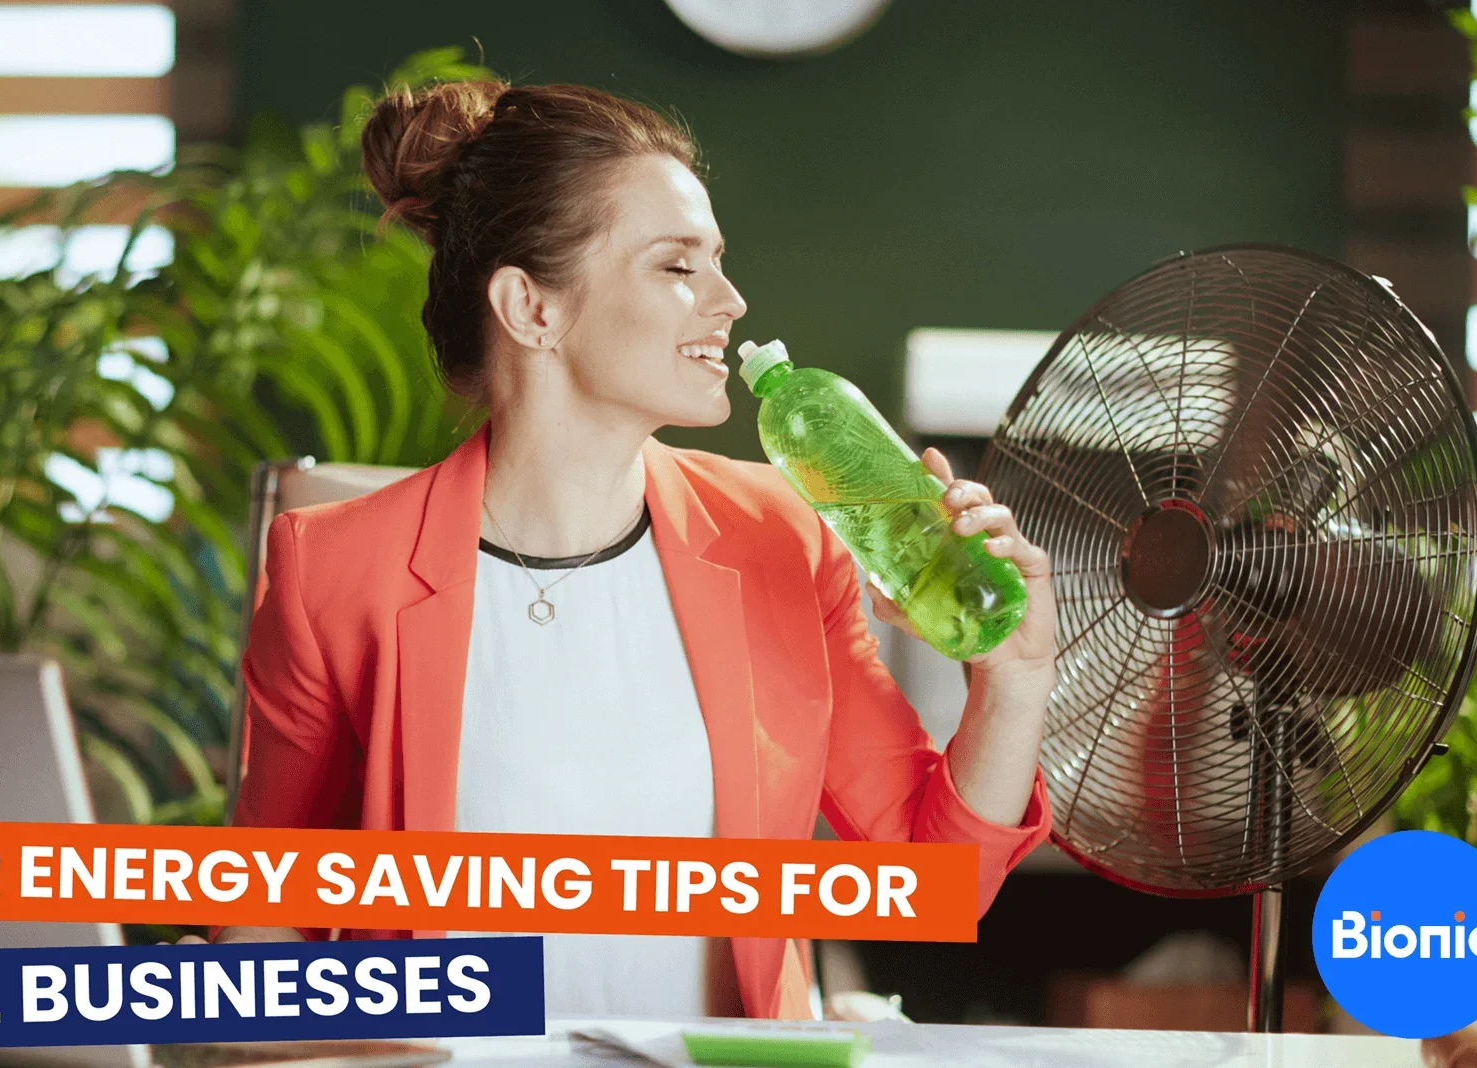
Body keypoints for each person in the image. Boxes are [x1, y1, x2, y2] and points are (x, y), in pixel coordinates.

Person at [185, 78, 1059, 1021]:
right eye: (677, 267)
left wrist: (1013, 679)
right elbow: (266, 914)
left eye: (716, 261)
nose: (728, 300)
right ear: (532, 309)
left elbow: (933, 887)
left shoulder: (784, 537)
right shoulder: (331, 571)